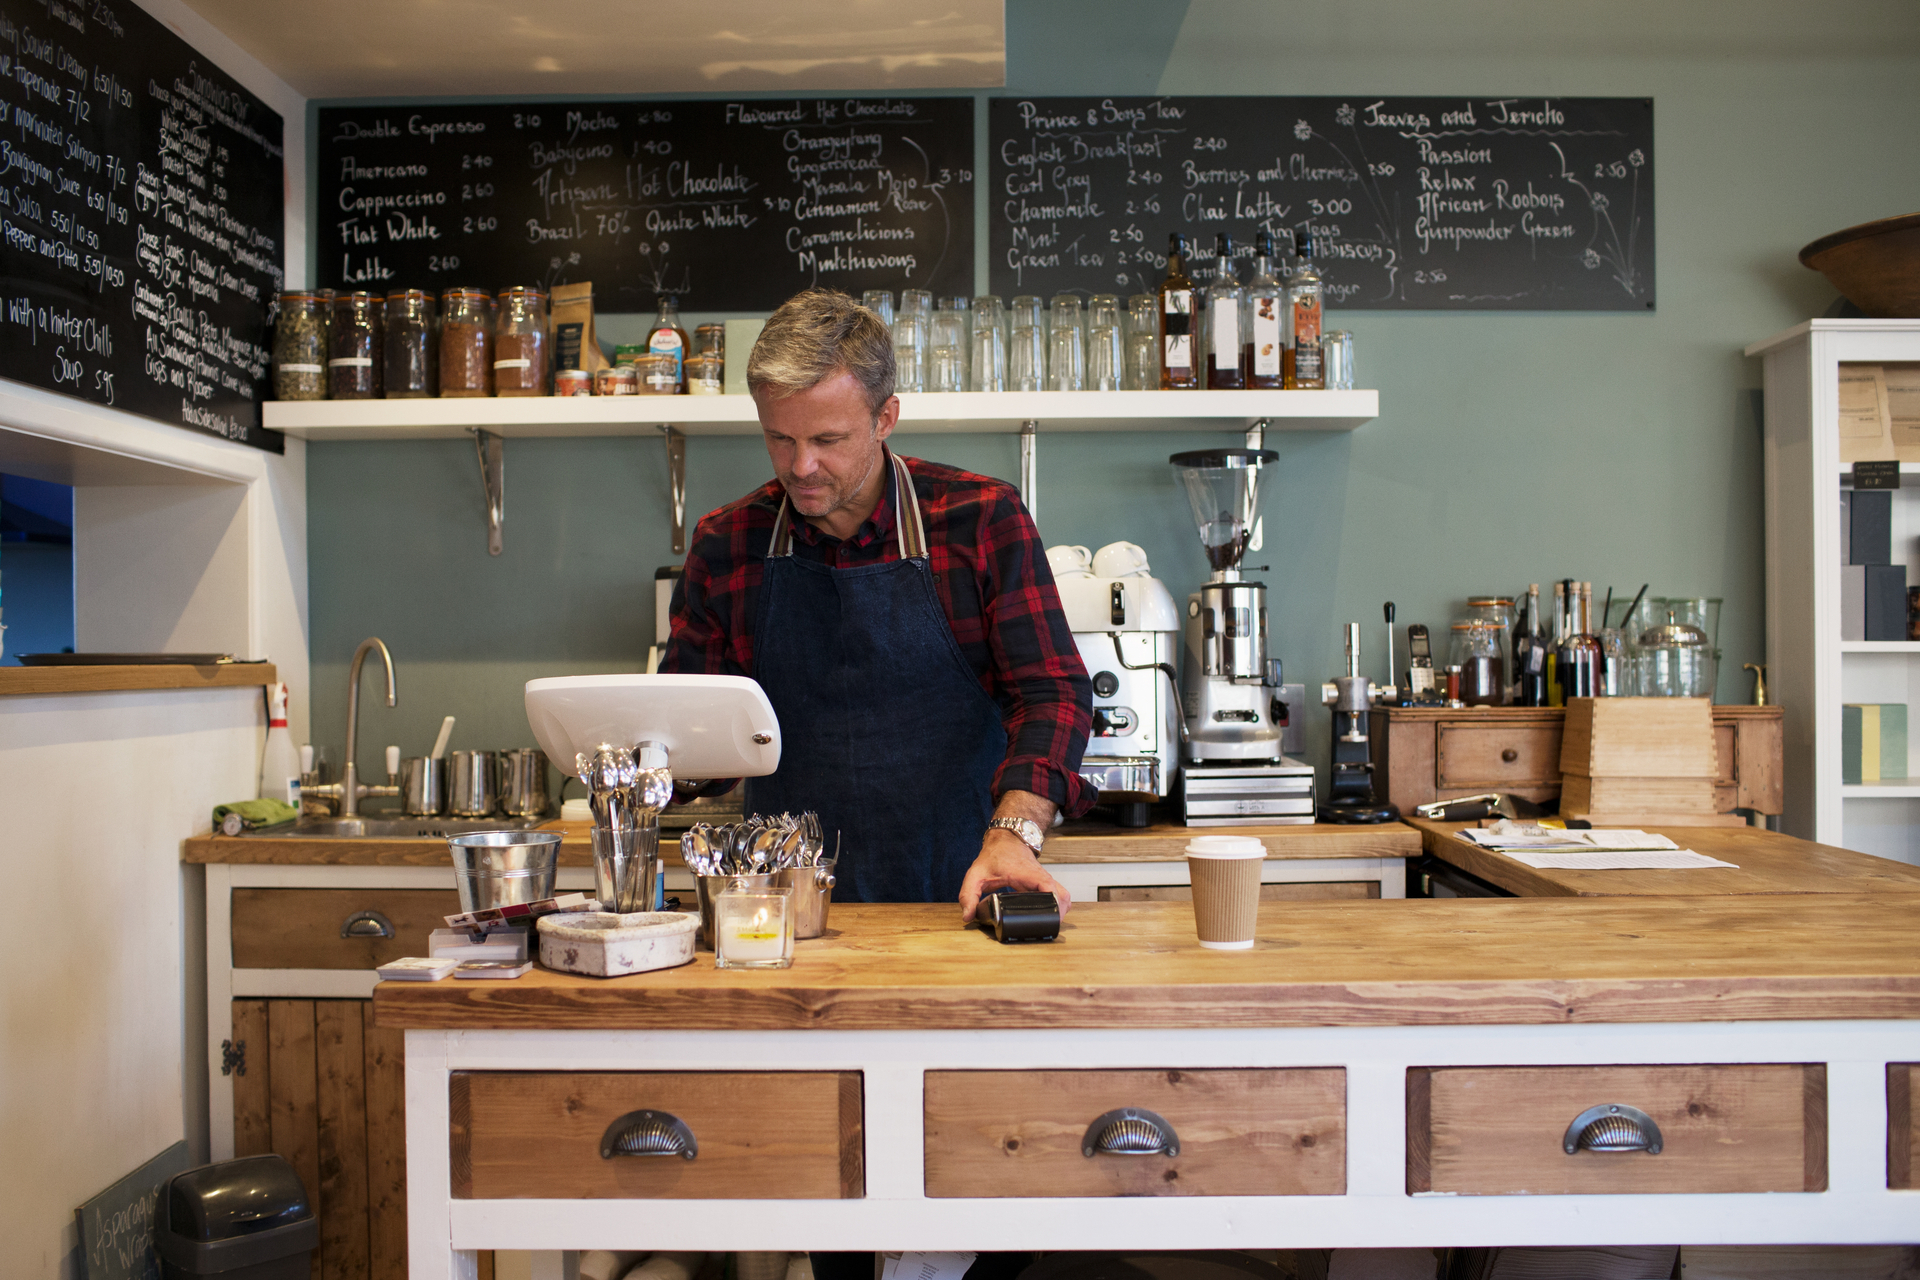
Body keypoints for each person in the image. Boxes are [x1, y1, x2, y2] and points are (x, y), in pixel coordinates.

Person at [660, 287, 1093, 921]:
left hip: (963, 893)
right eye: (779, 438)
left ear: (885, 417)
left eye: (828, 439)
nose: (801, 465)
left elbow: (1052, 694)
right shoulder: (728, 543)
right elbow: (696, 734)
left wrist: (1014, 834)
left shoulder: (979, 520)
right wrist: (660, 766)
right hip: (783, 914)